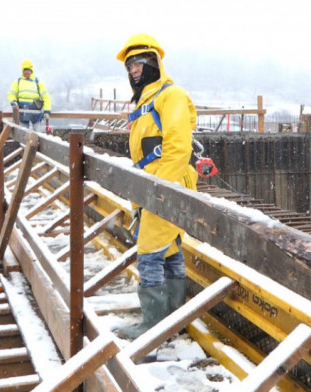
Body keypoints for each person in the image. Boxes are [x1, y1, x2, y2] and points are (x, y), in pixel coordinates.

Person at [116, 33, 198, 339]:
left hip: (166, 185)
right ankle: (174, 320)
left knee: (149, 252)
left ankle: (152, 327)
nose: (134, 70)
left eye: (138, 63)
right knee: (170, 250)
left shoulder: (169, 95)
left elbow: (178, 145)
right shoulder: (146, 100)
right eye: (129, 67)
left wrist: (160, 189)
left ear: (154, 61)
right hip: (152, 185)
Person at [7, 59, 52, 130]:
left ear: (31, 71)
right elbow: (11, 94)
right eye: (25, 70)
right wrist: (13, 102)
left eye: (28, 70)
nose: (26, 72)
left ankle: (37, 141)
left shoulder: (38, 82)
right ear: (22, 71)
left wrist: (47, 111)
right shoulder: (18, 82)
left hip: (36, 114)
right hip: (22, 113)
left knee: (38, 135)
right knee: (23, 135)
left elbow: (46, 97)